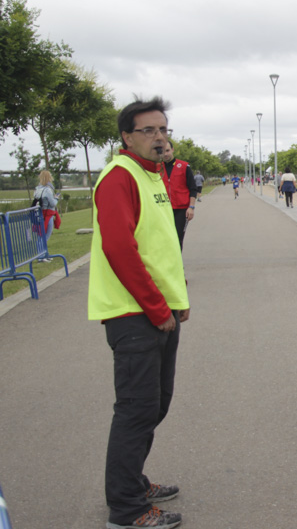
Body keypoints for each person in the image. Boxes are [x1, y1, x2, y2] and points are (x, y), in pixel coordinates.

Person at [88, 96, 189, 529]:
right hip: (134, 315)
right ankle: (127, 510)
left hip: (158, 312)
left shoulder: (153, 176)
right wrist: (155, 306)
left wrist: (177, 302)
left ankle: (132, 482)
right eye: (149, 131)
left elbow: (159, 244)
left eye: (164, 129)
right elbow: (119, 248)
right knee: (135, 409)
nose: (159, 137)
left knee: (155, 405)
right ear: (126, 137)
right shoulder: (119, 177)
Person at [161, 141, 197, 250]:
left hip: (181, 210)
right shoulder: (157, 168)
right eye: (162, 151)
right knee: (164, 239)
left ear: (172, 150)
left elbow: (193, 188)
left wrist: (191, 207)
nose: (165, 154)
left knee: (177, 238)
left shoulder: (184, 166)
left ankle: (178, 265)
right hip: (163, 209)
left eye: (167, 150)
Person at [33, 170, 60, 262]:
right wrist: (56, 198)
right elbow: (52, 204)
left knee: (41, 235)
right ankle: (41, 256)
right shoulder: (48, 190)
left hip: (39, 214)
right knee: (45, 236)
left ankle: (43, 254)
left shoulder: (37, 189)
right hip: (48, 214)